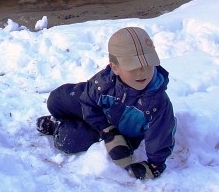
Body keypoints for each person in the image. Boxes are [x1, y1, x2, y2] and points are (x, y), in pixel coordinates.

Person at [36, 26, 176, 179]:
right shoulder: (104, 82)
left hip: (122, 133)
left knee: (70, 139)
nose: (141, 72)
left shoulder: (157, 104)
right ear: (115, 68)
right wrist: (107, 130)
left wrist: (155, 165)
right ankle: (63, 116)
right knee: (56, 98)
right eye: (133, 67)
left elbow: (161, 136)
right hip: (100, 118)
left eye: (147, 64)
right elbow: (87, 101)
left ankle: (57, 125)